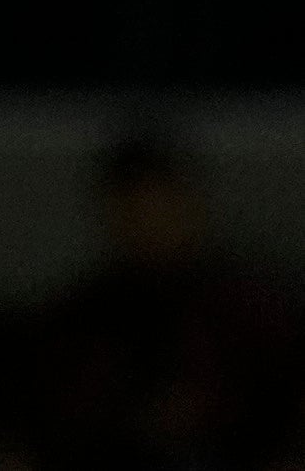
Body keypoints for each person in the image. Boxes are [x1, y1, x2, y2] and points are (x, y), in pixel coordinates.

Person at [26, 132, 299, 468]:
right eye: (133, 211)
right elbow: (59, 412)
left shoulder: (251, 307)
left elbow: (280, 399)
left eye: (159, 208)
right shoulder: (87, 316)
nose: (148, 225)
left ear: (189, 204)